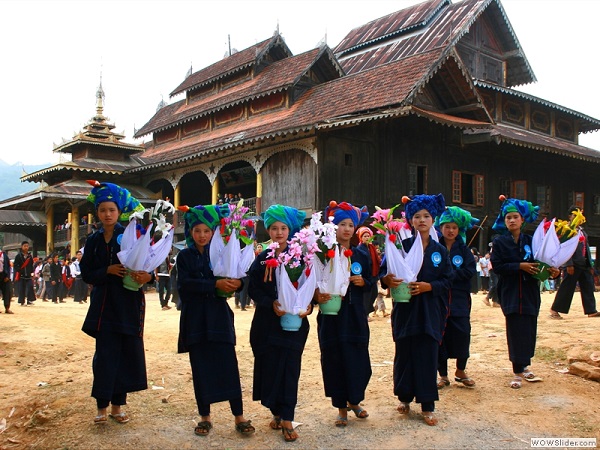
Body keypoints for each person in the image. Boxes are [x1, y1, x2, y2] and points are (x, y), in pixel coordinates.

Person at [176, 204, 255, 437]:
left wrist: (237, 284)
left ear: (214, 232)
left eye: (207, 231)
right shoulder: (184, 256)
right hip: (195, 319)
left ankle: (239, 416)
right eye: (197, 230)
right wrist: (213, 284)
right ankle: (205, 417)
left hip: (219, 317)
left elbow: (240, 275)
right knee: (200, 368)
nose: (202, 235)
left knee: (228, 366)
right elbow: (184, 286)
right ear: (190, 232)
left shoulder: (221, 252)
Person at [80, 180, 153, 425]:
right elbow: (87, 273)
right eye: (103, 210)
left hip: (128, 304)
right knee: (105, 355)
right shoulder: (93, 241)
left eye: (112, 210)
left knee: (123, 355)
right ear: (97, 213)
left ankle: (117, 406)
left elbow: (149, 265)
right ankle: (101, 406)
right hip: (103, 307)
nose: (107, 214)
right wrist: (107, 270)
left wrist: (148, 276)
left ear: (119, 212)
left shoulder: (132, 235)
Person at [380, 193, 452, 426]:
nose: (422, 220)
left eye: (427, 216)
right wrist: (387, 281)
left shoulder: (439, 251)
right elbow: (384, 271)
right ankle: (404, 398)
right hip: (405, 310)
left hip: (430, 311)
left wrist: (429, 286)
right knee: (405, 353)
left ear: (433, 220)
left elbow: (448, 280)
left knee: (427, 355)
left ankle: (428, 405)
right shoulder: (401, 245)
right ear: (410, 220)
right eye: (417, 216)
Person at [247, 204, 310, 442]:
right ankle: (276, 410)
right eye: (274, 228)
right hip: (267, 325)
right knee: (271, 368)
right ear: (268, 231)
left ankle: (287, 418)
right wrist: (268, 302)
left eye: (284, 228)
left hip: (294, 326)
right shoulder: (263, 259)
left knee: (290, 369)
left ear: (290, 230)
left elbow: (310, 286)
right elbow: (252, 287)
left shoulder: (302, 257)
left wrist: (309, 305)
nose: (279, 232)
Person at [489, 196, 560, 389]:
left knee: (529, 328)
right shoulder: (500, 242)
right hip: (510, 291)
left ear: (522, 220)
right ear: (504, 221)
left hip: (529, 291)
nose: (511, 220)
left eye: (515, 217)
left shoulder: (532, 241)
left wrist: (554, 272)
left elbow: (542, 265)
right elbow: (497, 266)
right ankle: (517, 370)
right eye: (508, 218)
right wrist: (520, 266)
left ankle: (526, 365)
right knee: (515, 329)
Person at [314, 201, 373, 427]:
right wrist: (317, 296)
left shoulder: (360, 254)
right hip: (331, 317)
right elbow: (312, 282)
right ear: (333, 227)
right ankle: (341, 408)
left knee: (357, 358)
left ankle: (355, 401)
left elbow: (372, 282)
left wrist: (363, 281)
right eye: (341, 224)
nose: (347, 229)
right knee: (334, 358)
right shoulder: (322, 253)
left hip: (355, 315)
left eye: (350, 224)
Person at [434, 206, 479, 389]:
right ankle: (443, 375)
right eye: (447, 227)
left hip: (460, 300)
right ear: (440, 228)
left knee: (462, 333)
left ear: (459, 229)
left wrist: (450, 275)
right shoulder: (435, 248)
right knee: (440, 336)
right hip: (439, 299)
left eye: (454, 227)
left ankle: (461, 370)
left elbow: (469, 271)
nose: (450, 231)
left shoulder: (464, 250)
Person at [549, 206, 600, 319]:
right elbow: (564, 248)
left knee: (588, 286)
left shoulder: (582, 231)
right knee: (567, 287)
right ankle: (555, 309)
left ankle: (591, 310)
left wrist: (590, 264)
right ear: (570, 216)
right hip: (573, 264)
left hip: (584, 263)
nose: (577, 217)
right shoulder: (566, 230)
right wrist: (568, 264)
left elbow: (586, 248)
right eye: (574, 214)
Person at [356, 226, 380, 321]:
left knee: (374, 293)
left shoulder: (371, 248)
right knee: (366, 296)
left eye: (368, 236)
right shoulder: (360, 248)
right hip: (366, 276)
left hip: (373, 276)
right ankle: (364, 314)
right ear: (361, 238)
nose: (367, 238)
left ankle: (366, 312)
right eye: (364, 236)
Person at [13, 241, 36, 306]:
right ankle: (22, 301)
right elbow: (15, 265)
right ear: (22, 247)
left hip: (28, 275)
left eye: (27, 246)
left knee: (30, 286)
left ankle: (29, 300)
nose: (26, 247)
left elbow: (31, 265)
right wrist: (19, 270)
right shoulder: (18, 256)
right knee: (21, 288)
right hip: (21, 275)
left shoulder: (29, 256)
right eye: (24, 246)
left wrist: (32, 272)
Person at [0, 247, 13, 314]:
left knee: (8, 292)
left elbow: (8, 266)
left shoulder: (4, 255)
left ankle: (7, 308)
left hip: (4, 276)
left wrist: (8, 276)